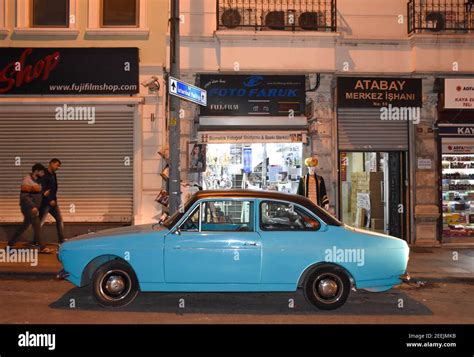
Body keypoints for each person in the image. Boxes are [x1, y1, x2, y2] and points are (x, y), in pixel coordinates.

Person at [8, 163, 52, 254]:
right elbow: (24, 196)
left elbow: (35, 193)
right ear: (36, 171)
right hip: (28, 208)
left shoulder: (37, 180)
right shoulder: (27, 180)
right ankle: (43, 247)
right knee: (37, 226)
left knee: (24, 226)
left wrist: (43, 193)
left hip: (33, 208)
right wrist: (32, 206)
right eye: (42, 172)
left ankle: (10, 244)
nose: (43, 174)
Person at [38, 158, 65, 244]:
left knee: (59, 219)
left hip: (53, 202)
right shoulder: (44, 174)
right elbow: (43, 190)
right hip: (45, 203)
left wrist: (54, 200)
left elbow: (53, 189)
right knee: (40, 222)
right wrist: (49, 200)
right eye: (57, 165)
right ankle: (36, 241)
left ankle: (61, 240)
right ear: (51, 163)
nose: (58, 167)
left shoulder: (54, 175)